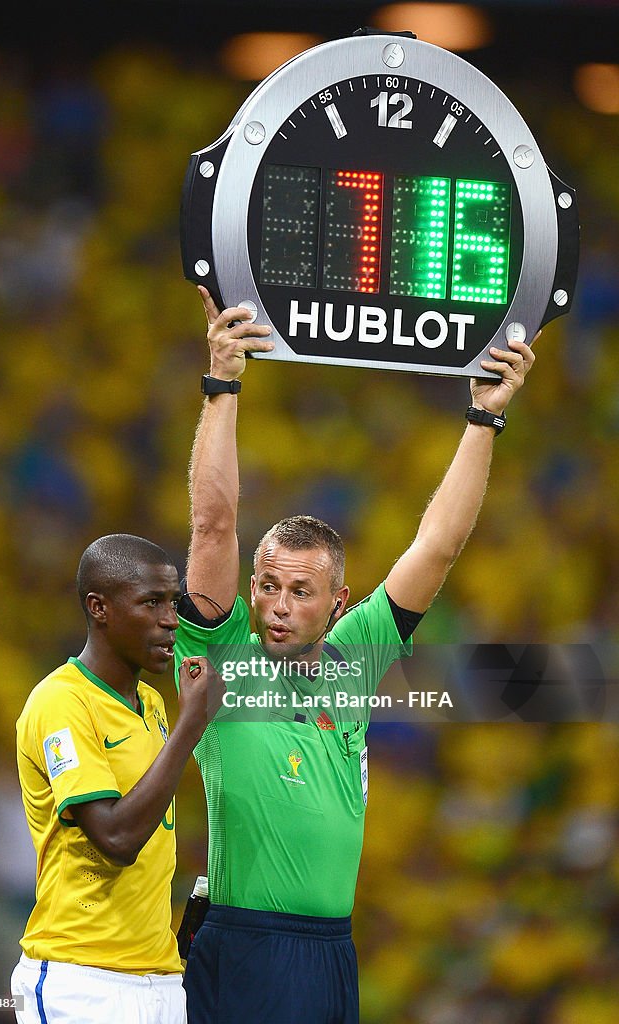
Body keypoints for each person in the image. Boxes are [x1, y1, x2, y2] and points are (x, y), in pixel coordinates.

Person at [173, 286, 535, 1023]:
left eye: (301, 591)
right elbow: (213, 525)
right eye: (267, 586)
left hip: (332, 952)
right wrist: (222, 386)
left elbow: (439, 545)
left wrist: (484, 416)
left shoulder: (354, 658)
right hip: (246, 947)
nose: (278, 604)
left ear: (339, 605)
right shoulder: (220, 653)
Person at [11, 533, 223, 1024]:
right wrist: (191, 725)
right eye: (151, 603)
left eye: (173, 602)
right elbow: (116, 837)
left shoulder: (150, 703)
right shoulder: (61, 702)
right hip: (79, 977)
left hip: (160, 977)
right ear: (99, 608)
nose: (170, 619)